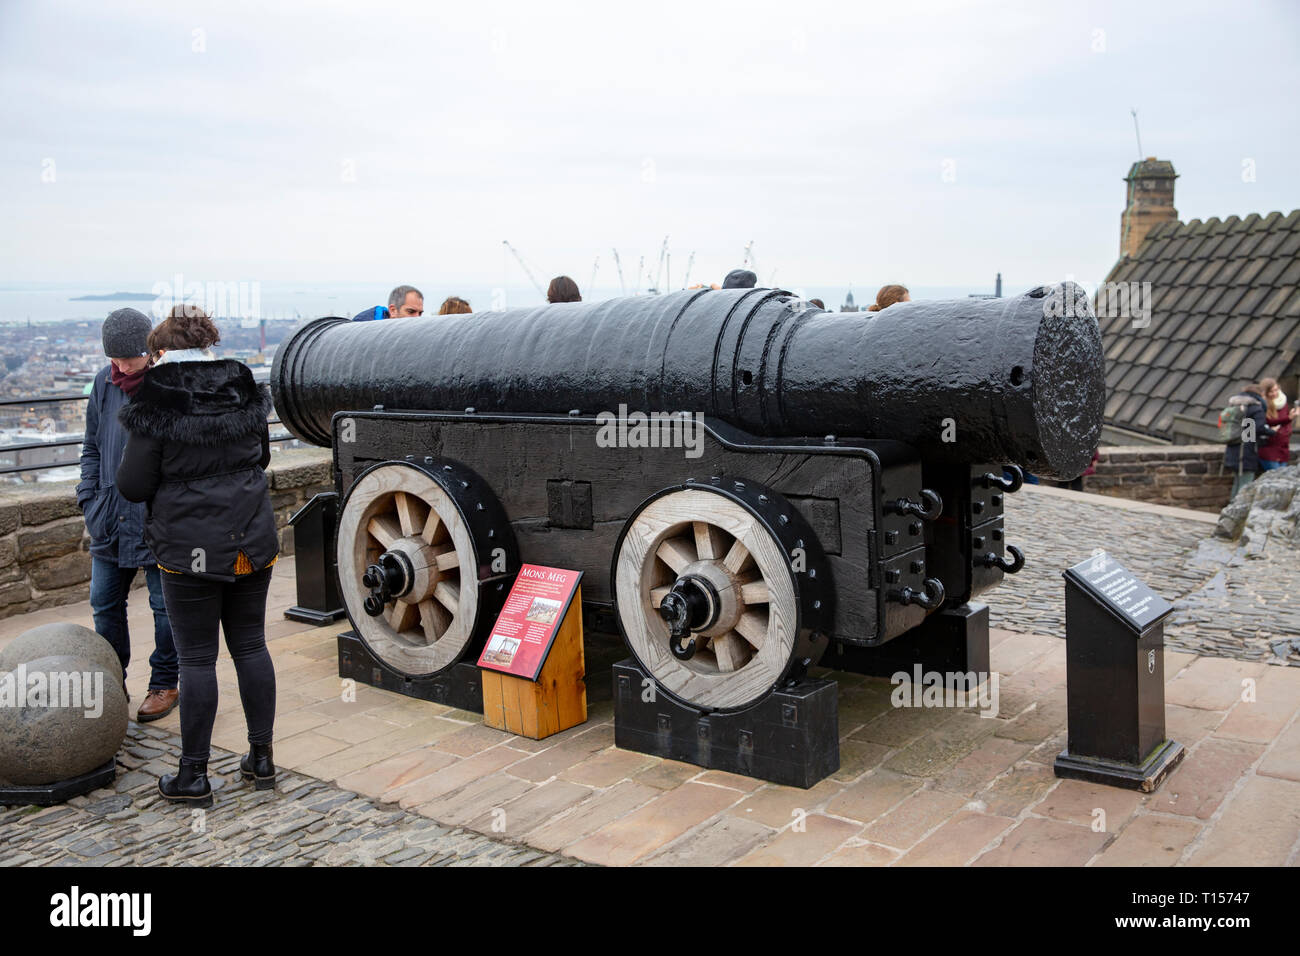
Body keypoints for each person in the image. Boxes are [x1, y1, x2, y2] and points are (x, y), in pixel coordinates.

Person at [116, 306, 280, 807]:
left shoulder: (157, 401)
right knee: (251, 647)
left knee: (196, 659)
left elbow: (132, 484)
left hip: (189, 548)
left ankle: (194, 777)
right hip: (252, 537)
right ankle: (261, 759)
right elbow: (264, 457)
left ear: (159, 351)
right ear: (210, 342)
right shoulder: (244, 388)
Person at [77, 308, 179, 721]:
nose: (119, 367)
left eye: (127, 359)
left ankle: (165, 683)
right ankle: (112, 681)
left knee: (163, 607)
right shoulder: (103, 384)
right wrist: (88, 496)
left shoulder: (168, 387)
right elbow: (91, 446)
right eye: (113, 359)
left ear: (151, 350)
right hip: (109, 514)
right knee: (103, 603)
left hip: (155, 519)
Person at [1222, 382, 1275, 497]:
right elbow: (1257, 428)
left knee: (1237, 482)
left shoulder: (1235, 406)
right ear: (1260, 394)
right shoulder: (1255, 408)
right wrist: (1272, 431)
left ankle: (1231, 507)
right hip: (1246, 452)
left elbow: (1247, 430)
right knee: (1245, 483)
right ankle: (1236, 511)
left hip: (1233, 448)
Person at [1258, 377, 1298, 472]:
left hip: (1283, 444)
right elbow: (1268, 421)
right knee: (1275, 474)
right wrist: (1288, 418)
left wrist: (1290, 418)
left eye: (1276, 390)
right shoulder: (1262, 404)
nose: (1275, 393)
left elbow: (1284, 418)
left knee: (1282, 476)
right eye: (1271, 392)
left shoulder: (1283, 401)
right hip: (1269, 445)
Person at [351, 284, 423, 321]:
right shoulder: (365, 325)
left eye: (420, 313)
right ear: (393, 310)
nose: (417, 318)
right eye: (411, 312)